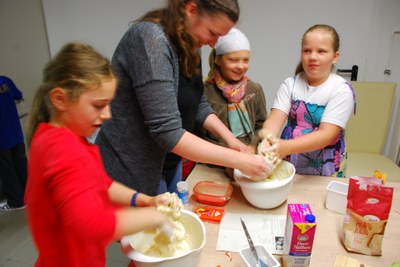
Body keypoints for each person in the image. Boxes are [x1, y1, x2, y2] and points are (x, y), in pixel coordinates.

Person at [25, 42, 180, 267]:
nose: (108, 114)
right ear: (60, 99)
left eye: (109, 104)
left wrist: (143, 200)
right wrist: (155, 217)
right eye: (99, 105)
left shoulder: (65, 137)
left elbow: (101, 183)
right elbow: (90, 224)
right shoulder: (61, 148)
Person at [96, 0, 272, 196]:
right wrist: (238, 160)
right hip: (131, 168)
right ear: (191, 10)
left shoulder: (190, 42)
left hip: (170, 163)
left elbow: (197, 103)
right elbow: (167, 131)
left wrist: (231, 140)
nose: (214, 44)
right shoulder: (150, 40)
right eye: (212, 33)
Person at [259, 24, 355, 177]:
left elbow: (326, 135)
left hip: (325, 165)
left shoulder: (341, 90)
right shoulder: (290, 84)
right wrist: (267, 138)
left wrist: (285, 147)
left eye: (321, 51)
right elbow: (275, 119)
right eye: (307, 51)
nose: (312, 57)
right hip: (289, 159)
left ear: (335, 56)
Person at [201, 27, 268, 177]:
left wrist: (252, 146)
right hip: (212, 168)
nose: (240, 66)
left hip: (248, 164)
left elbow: (261, 125)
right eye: (233, 60)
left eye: (245, 60)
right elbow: (198, 137)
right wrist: (229, 158)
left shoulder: (254, 90)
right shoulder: (205, 93)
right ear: (218, 59)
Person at [0, 76, 27, 211]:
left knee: (7, 170)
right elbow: (19, 95)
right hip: (15, 133)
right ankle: (30, 196)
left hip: (1, 139)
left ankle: (16, 201)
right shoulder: (5, 81)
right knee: (21, 164)